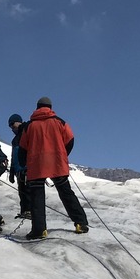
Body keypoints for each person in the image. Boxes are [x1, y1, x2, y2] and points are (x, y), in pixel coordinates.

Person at [19, 96, 88, 240]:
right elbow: (70, 139)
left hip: (36, 165)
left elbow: (23, 148)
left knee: (37, 196)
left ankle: (39, 230)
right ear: (50, 107)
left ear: (37, 107)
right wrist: (63, 154)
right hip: (57, 162)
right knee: (66, 192)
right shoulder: (60, 122)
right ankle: (80, 223)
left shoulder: (29, 126)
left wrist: (24, 163)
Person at [6, 113, 31, 220]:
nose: (12, 127)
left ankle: (30, 211)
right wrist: (12, 172)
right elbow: (13, 156)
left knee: (29, 191)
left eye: (12, 124)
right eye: (10, 126)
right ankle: (24, 211)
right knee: (22, 191)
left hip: (27, 168)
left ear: (18, 122)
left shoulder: (27, 132)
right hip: (18, 170)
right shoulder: (14, 140)